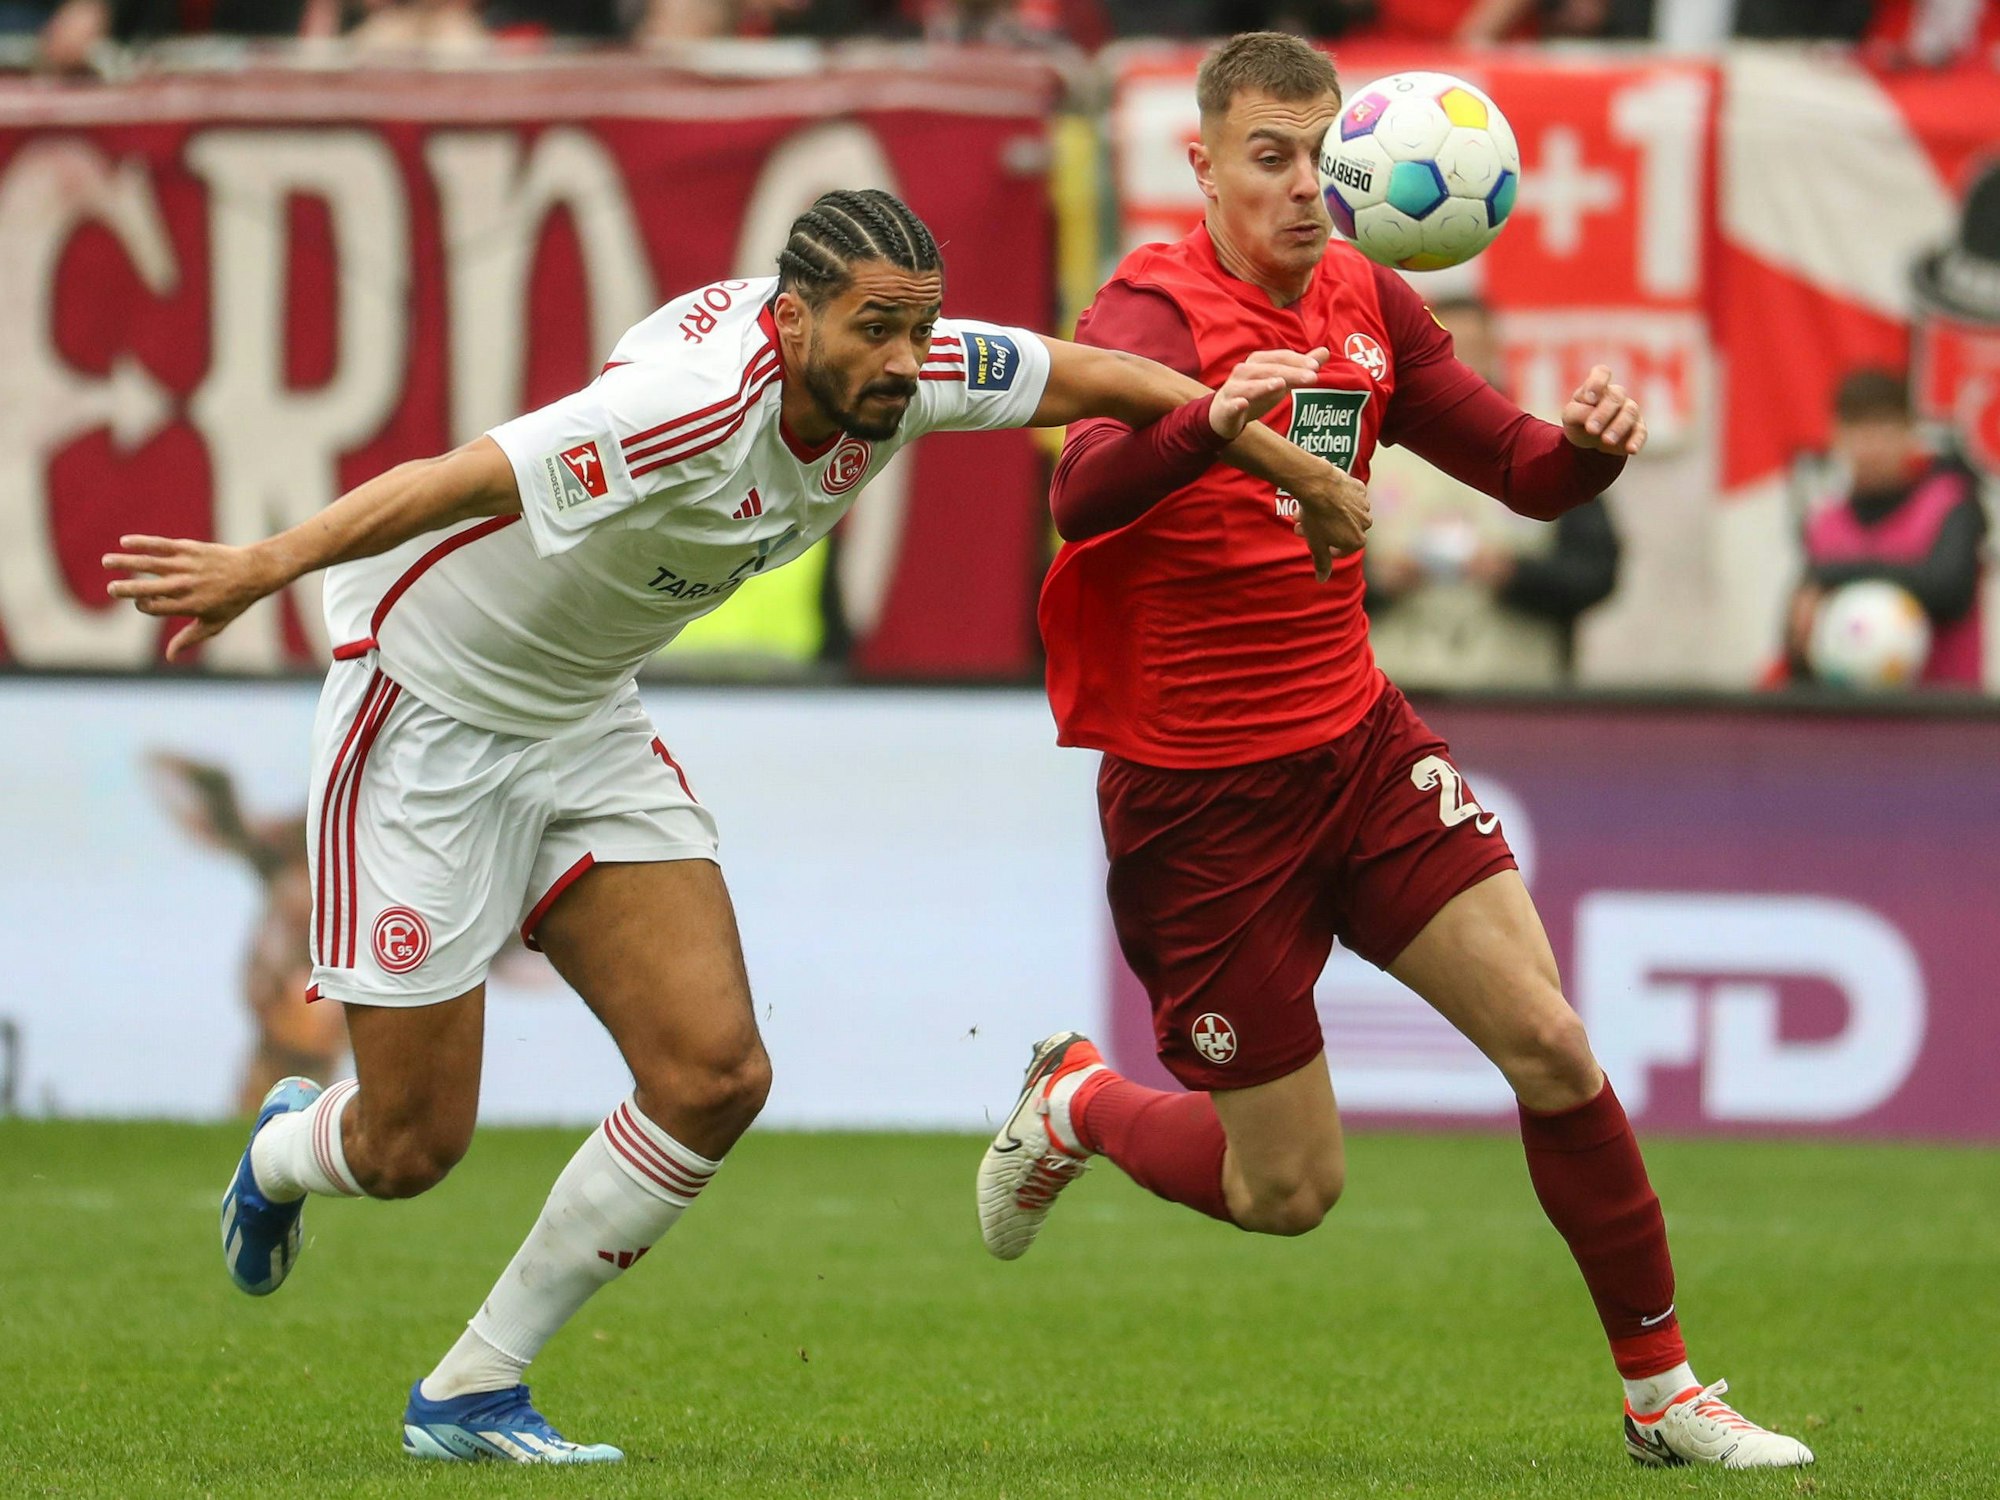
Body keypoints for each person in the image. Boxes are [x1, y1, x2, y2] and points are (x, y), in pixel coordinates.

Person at [105, 187, 1360, 1466]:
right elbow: (457, 476)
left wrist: (1296, 471)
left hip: (582, 715)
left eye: (918, 328)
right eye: (874, 328)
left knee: (715, 1075)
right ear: (792, 313)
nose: (903, 359)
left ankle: (474, 1390)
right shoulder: (686, 408)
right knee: (408, 1145)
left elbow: (1109, 379)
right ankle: (287, 1152)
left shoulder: (907, 372)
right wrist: (265, 563)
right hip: (426, 712)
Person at [976, 33, 1813, 1472]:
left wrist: (1593, 454)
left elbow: (1523, 472)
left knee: (1551, 1044)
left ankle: (1665, 1395)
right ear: (1204, 164)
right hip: (1202, 805)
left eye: (1322, 157)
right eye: (1270, 158)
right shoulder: (1156, 309)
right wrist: (1203, 428)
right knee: (1289, 1190)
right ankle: (1080, 1103)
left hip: (1358, 748)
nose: (1306, 189)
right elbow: (1083, 499)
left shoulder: (1369, 294)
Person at [1364, 295, 1620, 690]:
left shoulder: (1549, 446)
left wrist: (1514, 574)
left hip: (1518, 695)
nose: (1461, 366)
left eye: (1474, 349)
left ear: (1497, 353)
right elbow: (1304, 578)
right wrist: (1377, 580)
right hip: (1387, 690)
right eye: (1445, 352)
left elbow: (1595, 571)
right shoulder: (1365, 446)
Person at [1780, 368, 1987, 689]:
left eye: (1882, 430)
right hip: (1849, 723)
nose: (1870, 448)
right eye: (1858, 431)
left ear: (1910, 433)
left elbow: (1949, 591)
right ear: (1835, 436)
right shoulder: (1826, 524)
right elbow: (1798, 644)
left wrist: (1834, 574)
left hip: (1941, 720)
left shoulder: (1950, 503)